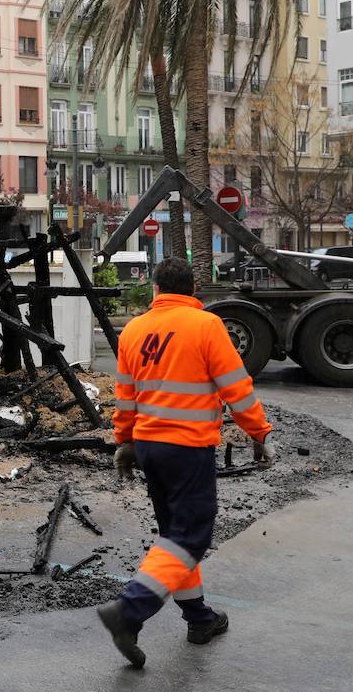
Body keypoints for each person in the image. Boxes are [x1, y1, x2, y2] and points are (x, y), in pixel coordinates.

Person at [97, 257, 275, 668]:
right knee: (188, 538)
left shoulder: (134, 331)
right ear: (191, 290)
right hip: (188, 447)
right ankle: (129, 611)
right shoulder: (207, 326)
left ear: (156, 289)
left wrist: (124, 442)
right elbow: (237, 389)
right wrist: (259, 433)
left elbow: (125, 397)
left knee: (174, 536)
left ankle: (199, 619)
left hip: (148, 448)